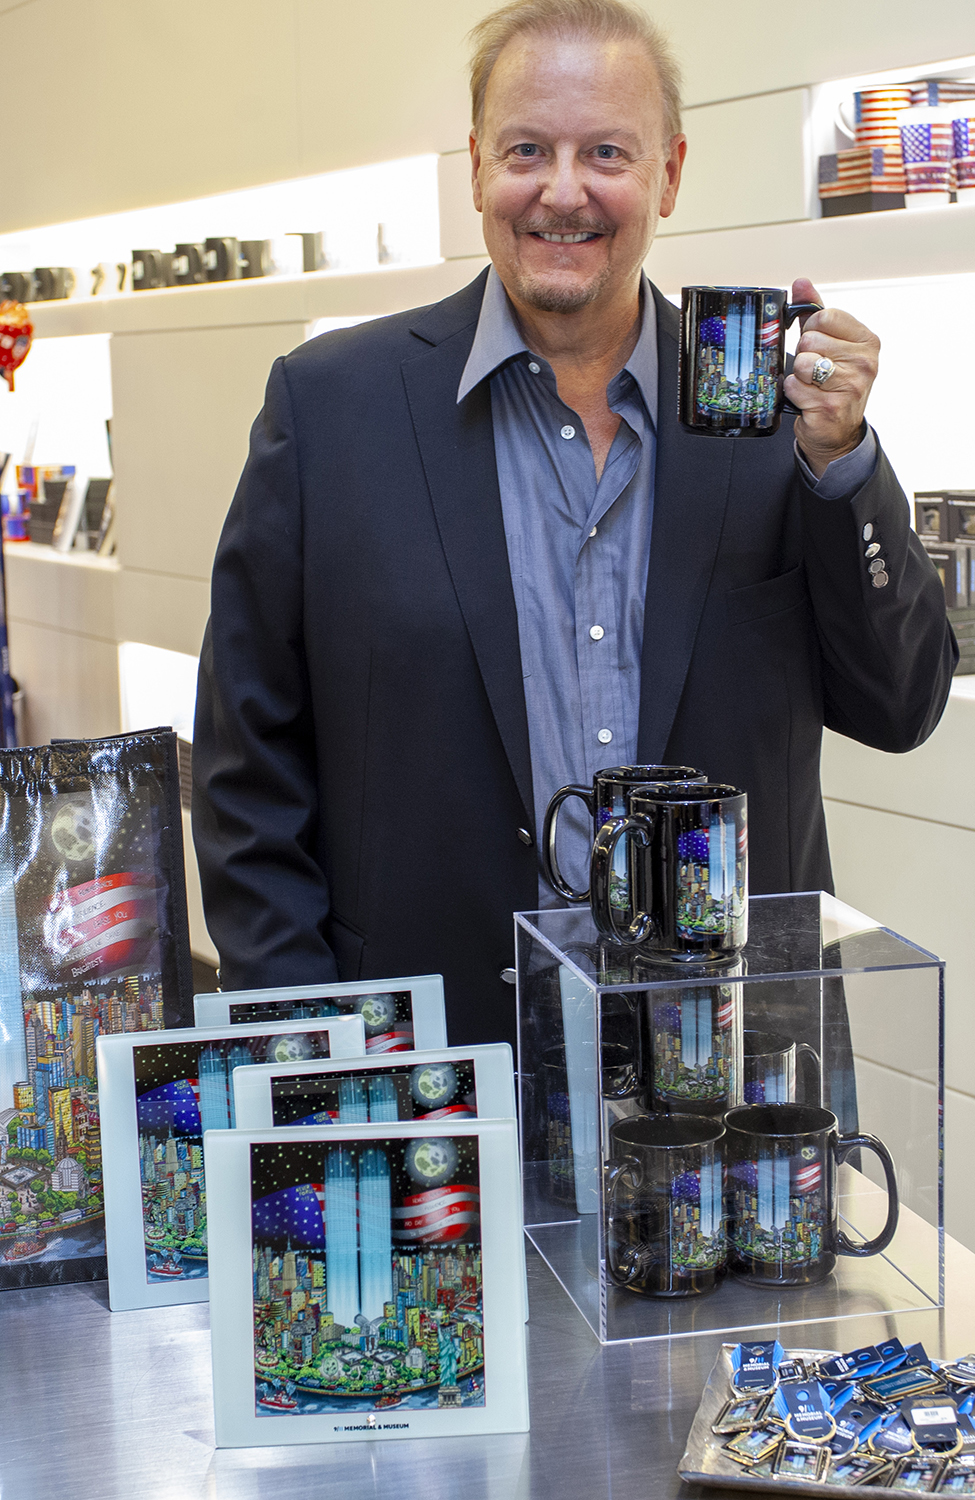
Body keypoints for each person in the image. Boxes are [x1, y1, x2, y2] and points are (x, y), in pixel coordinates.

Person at [192, 0, 955, 1047]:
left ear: (670, 174)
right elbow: (248, 773)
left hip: (727, 1084)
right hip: (437, 1074)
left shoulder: (774, 413)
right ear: (475, 169)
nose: (562, 191)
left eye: (606, 151)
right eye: (526, 150)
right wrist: (309, 1041)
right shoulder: (330, 410)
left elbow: (901, 703)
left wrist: (842, 462)